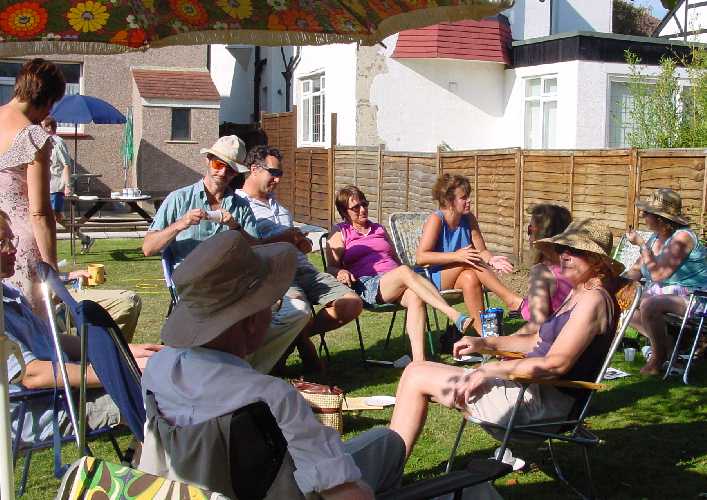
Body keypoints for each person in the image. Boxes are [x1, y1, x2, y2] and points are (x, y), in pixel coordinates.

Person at [140, 231, 405, 499]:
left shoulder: (157, 368)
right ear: (252, 322)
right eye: (273, 304)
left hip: (183, 492)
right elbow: (343, 493)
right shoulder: (270, 397)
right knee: (387, 442)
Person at [389, 220, 624, 458]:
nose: (564, 255)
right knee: (415, 369)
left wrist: (487, 370)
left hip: (539, 407)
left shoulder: (593, 300)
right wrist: (484, 343)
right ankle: (388, 465)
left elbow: (555, 364)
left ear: (597, 260)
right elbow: (536, 341)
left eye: (575, 251)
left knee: (416, 376)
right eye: (562, 248)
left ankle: (387, 468)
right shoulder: (579, 292)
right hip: (527, 388)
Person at [142, 135, 310, 373]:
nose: (223, 173)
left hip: (234, 283)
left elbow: (257, 250)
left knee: (298, 312)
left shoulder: (240, 206)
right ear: (208, 160)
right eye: (218, 164)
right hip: (195, 285)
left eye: (230, 169)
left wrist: (236, 227)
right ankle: (236, 370)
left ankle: (244, 370)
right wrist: (181, 224)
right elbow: (148, 247)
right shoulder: (180, 199)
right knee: (248, 318)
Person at [1, 209, 161, 445]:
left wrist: (126, 350)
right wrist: (121, 370)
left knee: (160, 385)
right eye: (2, 243)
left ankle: (150, 461)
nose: (12, 249)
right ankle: (157, 465)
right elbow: (32, 375)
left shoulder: (8, 294)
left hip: (64, 393)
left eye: (11, 239)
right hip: (40, 410)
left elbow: (54, 340)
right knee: (161, 396)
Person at [237, 145, 362, 371]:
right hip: (275, 274)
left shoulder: (279, 206)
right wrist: (283, 238)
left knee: (351, 303)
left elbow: (294, 244)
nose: (278, 179)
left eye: (280, 174)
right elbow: (246, 248)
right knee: (299, 309)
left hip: (304, 270)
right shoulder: (239, 205)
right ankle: (293, 349)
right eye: (274, 173)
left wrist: (301, 243)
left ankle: (300, 339)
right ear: (254, 169)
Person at [327, 185, 474, 361]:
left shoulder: (378, 229)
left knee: (415, 295)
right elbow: (331, 267)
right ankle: (453, 314)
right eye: (356, 207)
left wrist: (408, 279)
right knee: (404, 270)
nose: (363, 209)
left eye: (364, 204)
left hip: (393, 281)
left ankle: (419, 361)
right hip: (367, 285)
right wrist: (341, 271)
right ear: (344, 212)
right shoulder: (341, 231)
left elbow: (395, 259)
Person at [0, 58, 65, 313]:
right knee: (33, 326)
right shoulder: (33, 136)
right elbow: (39, 212)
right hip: (20, 245)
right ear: (47, 99)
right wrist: (52, 268)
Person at [416, 174, 514, 334]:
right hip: (434, 278)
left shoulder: (469, 219)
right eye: (463, 197)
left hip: (462, 271)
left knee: (470, 277)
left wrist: (491, 260)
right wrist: (457, 256)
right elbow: (421, 257)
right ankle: (510, 299)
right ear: (449, 201)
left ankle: (484, 337)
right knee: (469, 260)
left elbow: (482, 251)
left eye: (468, 196)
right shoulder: (436, 220)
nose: (469, 200)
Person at [624, 188, 707, 374]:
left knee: (649, 304)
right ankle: (668, 346)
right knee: (623, 298)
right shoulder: (655, 238)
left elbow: (658, 275)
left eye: (647, 213)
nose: (643, 216)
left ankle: (658, 358)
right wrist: (619, 284)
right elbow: (636, 270)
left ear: (660, 218)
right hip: (665, 294)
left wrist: (642, 245)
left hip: (696, 297)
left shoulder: (682, 238)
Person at [40, 116, 94, 254]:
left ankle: (48, 248)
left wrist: (68, 186)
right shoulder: (46, 142)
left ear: (49, 127)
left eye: (42, 126)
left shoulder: (58, 142)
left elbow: (66, 164)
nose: (40, 129)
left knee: (54, 216)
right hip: (47, 186)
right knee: (57, 217)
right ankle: (84, 238)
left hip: (56, 186)